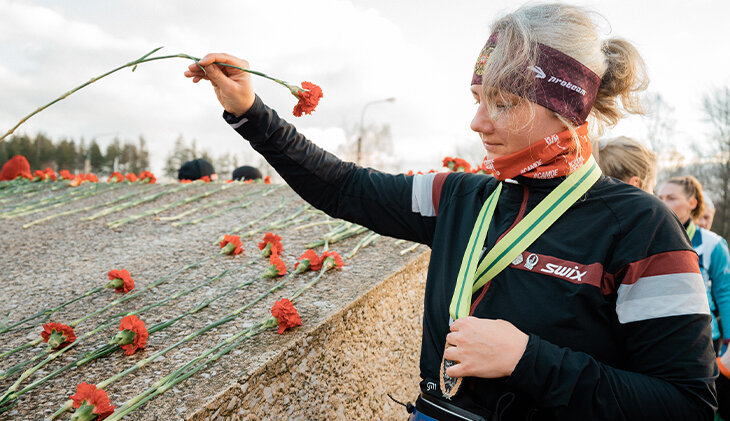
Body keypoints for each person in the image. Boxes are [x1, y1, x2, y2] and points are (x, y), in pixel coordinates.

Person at [185, 4, 716, 419]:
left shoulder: (642, 226)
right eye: (477, 97)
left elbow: (685, 405)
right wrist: (251, 113)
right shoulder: (463, 197)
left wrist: (528, 360)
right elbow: (345, 188)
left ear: (565, 110)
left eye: (503, 102)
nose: (477, 122)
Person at [657, 176, 730, 353]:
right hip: (659, 339)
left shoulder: (713, 243)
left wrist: (729, 343)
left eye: (671, 198)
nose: (663, 204)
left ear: (692, 203)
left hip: (702, 342)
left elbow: (725, 293)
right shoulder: (648, 239)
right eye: (660, 198)